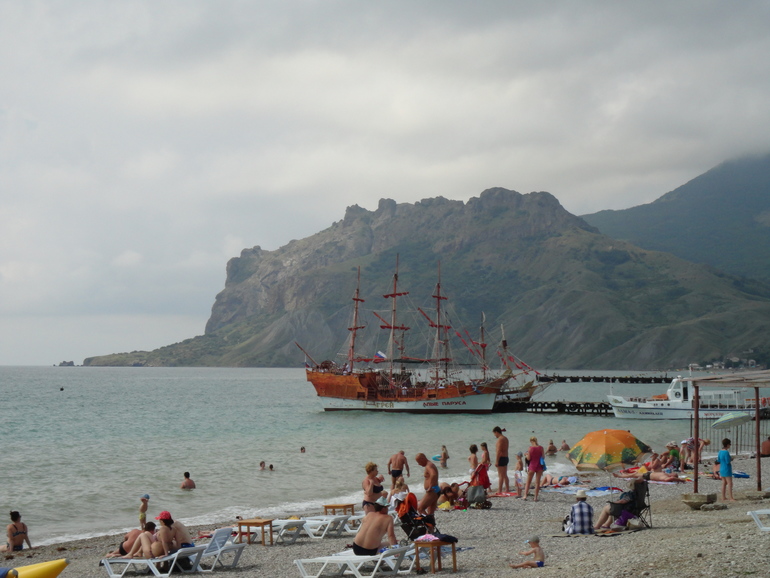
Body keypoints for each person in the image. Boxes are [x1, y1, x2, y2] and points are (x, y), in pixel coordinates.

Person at [522, 436, 545, 501]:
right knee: (537, 482)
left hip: (532, 466)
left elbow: (529, 458)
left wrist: (526, 455)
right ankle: (535, 497)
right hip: (539, 466)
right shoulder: (541, 448)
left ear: (531, 441)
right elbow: (543, 457)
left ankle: (525, 495)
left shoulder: (530, 448)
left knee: (528, 482)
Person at [492, 426, 509, 494]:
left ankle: (500, 490)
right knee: (504, 474)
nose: (494, 435)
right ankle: (507, 488)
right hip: (506, 457)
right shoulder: (505, 438)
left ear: (496, 432)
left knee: (501, 475)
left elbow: (499, 451)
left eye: (494, 433)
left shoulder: (500, 439)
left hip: (501, 458)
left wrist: (496, 461)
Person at [612, 470, 685, 483]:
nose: (672, 473)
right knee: (634, 473)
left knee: (633, 475)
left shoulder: (666, 477)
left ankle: (619, 476)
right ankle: (623, 474)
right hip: (649, 473)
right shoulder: (666, 474)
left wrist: (680, 480)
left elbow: (669, 479)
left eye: (673, 473)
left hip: (648, 476)